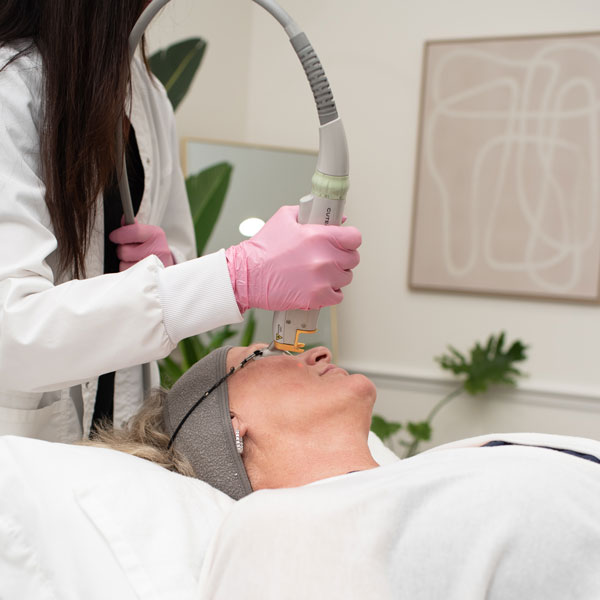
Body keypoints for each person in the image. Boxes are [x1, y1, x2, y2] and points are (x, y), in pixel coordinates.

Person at [0, 1, 361, 442]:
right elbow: (11, 333)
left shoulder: (146, 94)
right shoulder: (11, 86)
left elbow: (176, 261)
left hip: (119, 426)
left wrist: (168, 269)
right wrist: (237, 276)